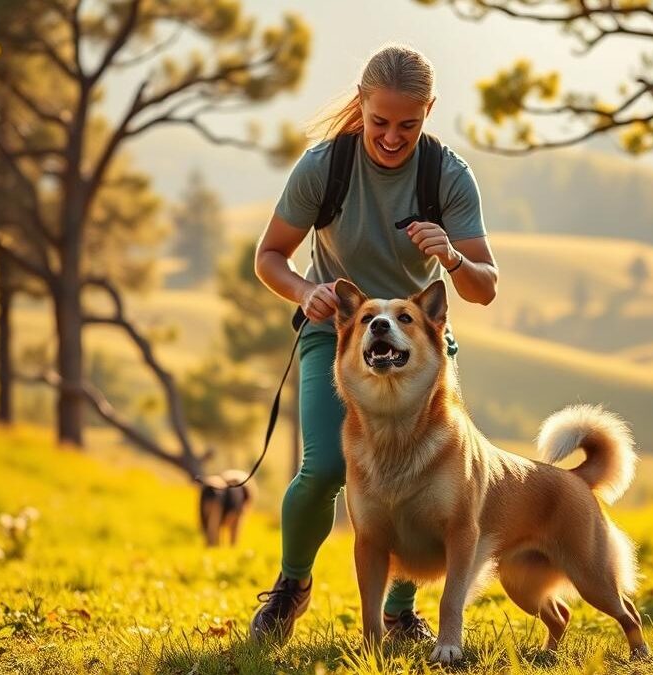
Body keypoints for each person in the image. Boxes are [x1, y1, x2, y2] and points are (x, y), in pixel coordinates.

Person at [250, 43, 499, 645]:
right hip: (337, 336)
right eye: (379, 121)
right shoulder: (323, 168)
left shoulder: (448, 175)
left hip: (417, 345)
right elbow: (268, 258)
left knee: (423, 477)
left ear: (429, 112)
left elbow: (484, 288)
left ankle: (400, 606)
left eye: (407, 125)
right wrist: (304, 291)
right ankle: (289, 588)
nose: (391, 136)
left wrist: (452, 254)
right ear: (360, 103)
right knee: (326, 467)